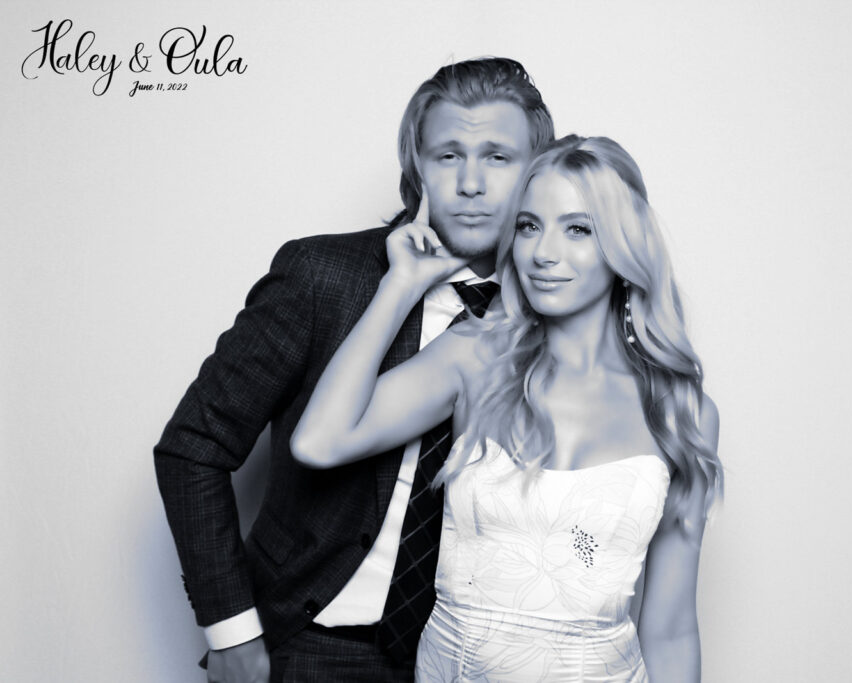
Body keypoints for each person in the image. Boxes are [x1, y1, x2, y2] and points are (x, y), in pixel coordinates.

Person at [154, 57, 554, 682]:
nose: (471, 183)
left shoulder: (553, 310)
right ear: (417, 166)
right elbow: (193, 446)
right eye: (448, 156)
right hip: (312, 642)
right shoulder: (323, 277)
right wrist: (231, 631)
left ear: (536, 172)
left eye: (498, 157)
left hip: (470, 657)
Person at [291, 135, 724, 682]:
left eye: (578, 229)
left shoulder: (681, 410)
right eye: (528, 225)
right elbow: (318, 443)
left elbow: (671, 628)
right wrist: (400, 284)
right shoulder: (473, 355)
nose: (544, 253)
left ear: (623, 246)